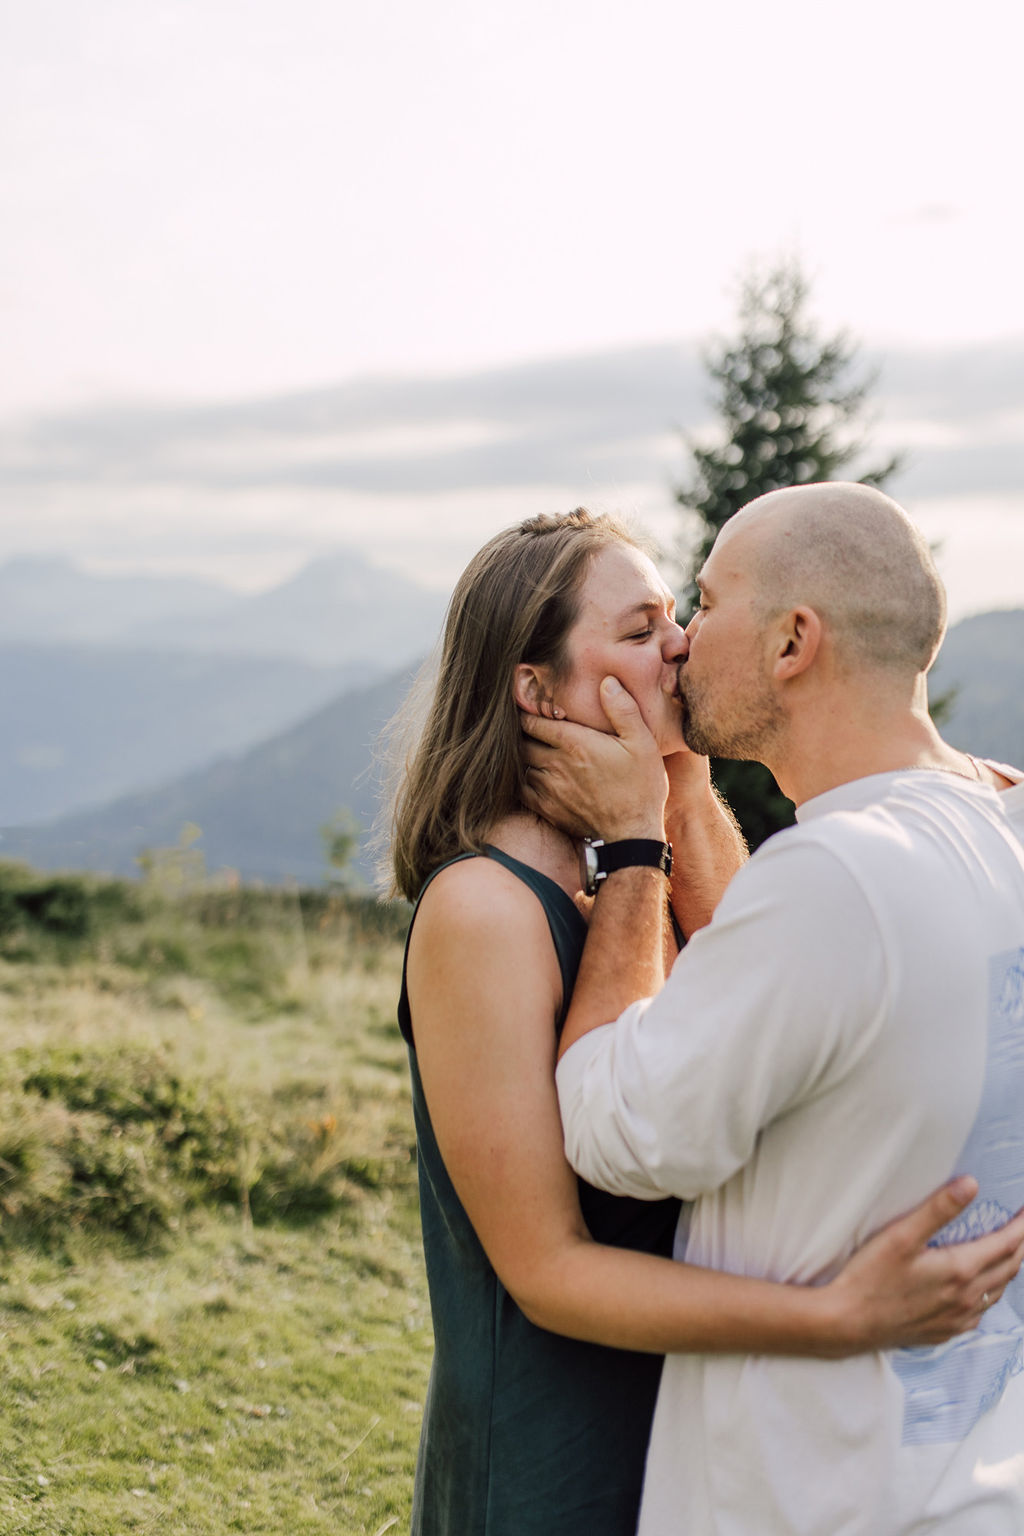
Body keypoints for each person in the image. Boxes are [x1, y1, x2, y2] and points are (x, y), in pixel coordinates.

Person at [386, 506, 1024, 1536]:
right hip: (562, 1455)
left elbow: (765, 1012)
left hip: (694, 1435)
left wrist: (673, 796)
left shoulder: (649, 867)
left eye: (680, 613)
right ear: (536, 691)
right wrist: (834, 1319)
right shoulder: (486, 908)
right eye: (640, 631)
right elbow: (544, 1270)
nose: (680, 641)